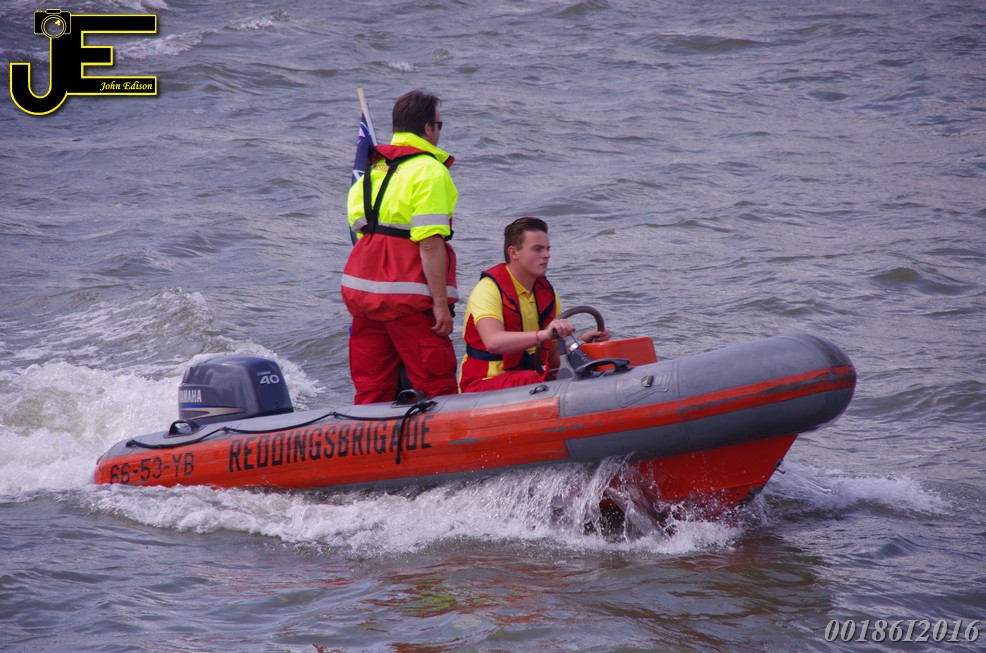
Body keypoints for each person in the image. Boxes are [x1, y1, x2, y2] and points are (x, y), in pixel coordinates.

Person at [341, 90, 459, 404]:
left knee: (372, 388)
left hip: (364, 294)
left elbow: (359, 227)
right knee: (437, 384)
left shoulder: (371, 169)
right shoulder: (430, 171)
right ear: (427, 128)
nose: (439, 131)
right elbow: (430, 244)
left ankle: (368, 435)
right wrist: (440, 304)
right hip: (408, 297)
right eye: (439, 125)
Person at [459, 217, 610, 393]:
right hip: (481, 385)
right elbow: (493, 342)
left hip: (528, 380)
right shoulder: (488, 290)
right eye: (537, 249)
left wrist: (581, 343)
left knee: (582, 371)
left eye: (547, 248)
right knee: (534, 379)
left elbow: (552, 358)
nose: (547, 255)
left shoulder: (548, 294)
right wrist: (544, 334)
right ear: (513, 252)